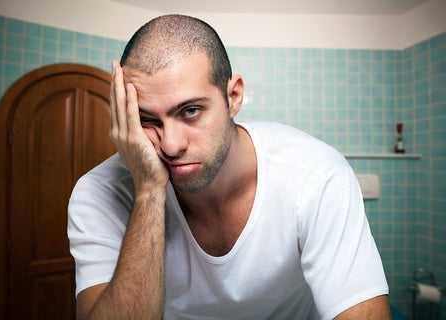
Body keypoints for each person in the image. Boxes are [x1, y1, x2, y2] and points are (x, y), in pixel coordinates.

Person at [68, 14, 391, 320]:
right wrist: (149, 190)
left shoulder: (315, 174)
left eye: (191, 111)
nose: (170, 145)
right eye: (146, 120)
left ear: (233, 96)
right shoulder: (99, 191)